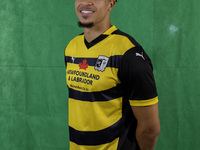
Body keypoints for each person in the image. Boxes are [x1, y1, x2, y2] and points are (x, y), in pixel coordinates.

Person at [65, 0, 160, 149]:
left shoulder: (129, 54)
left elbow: (150, 129)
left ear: (111, 4)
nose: (85, 2)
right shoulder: (71, 47)